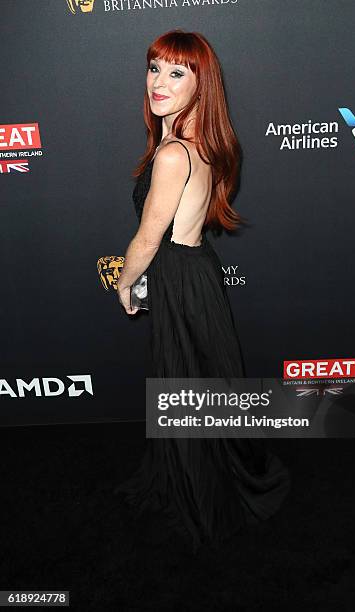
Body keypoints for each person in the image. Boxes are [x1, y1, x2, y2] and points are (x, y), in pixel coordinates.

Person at [114, 29, 290, 551]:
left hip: (176, 274)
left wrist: (125, 281)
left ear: (201, 84)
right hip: (196, 273)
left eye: (177, 73)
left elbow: (149, 238)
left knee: (183, 383)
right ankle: (200, 476)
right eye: (154, 68)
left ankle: (197, 492)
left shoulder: (172, 155)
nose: (158, 83)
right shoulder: (201, 141)